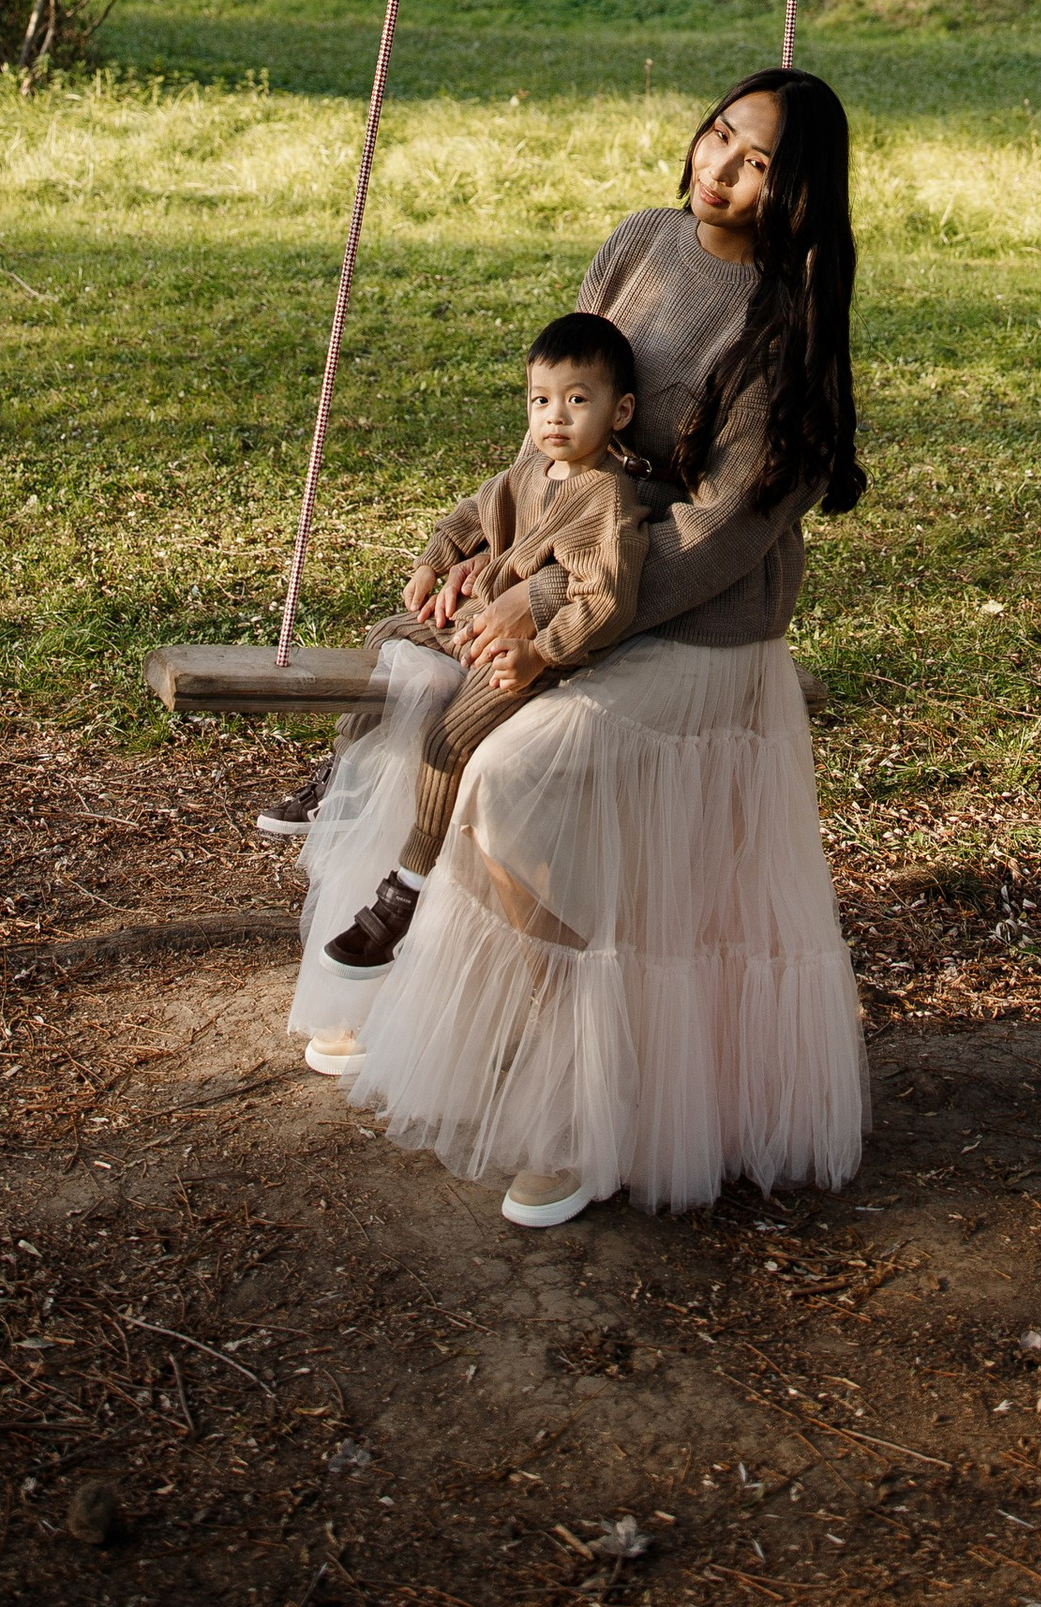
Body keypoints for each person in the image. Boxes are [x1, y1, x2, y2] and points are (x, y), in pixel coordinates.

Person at [284, 66, 869, 1229]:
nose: (720, 169)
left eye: (756, 161)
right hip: (576, 587)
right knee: (418, 686)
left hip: (695, 634)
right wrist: (492, 558)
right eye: (718, 136)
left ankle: (584, 1100)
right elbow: (559, 429)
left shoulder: (786, 331)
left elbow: (718, 535)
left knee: (515, 777)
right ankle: (405, 996)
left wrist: (552, 616)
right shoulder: (640, 243)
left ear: (796, 191)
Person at [318, 313, 650, 983]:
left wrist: (542, 653)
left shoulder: (607, 502)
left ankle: (404, 889)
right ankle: (340, 776)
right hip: (475, 622)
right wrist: (432, 561)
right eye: (541, 400)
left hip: (526, 657)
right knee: (387, 637)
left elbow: (607, 601)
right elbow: (471, 513)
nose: (555, 417)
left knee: (450, 740)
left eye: (577, 400)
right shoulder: (532, 473)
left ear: (620, 412)